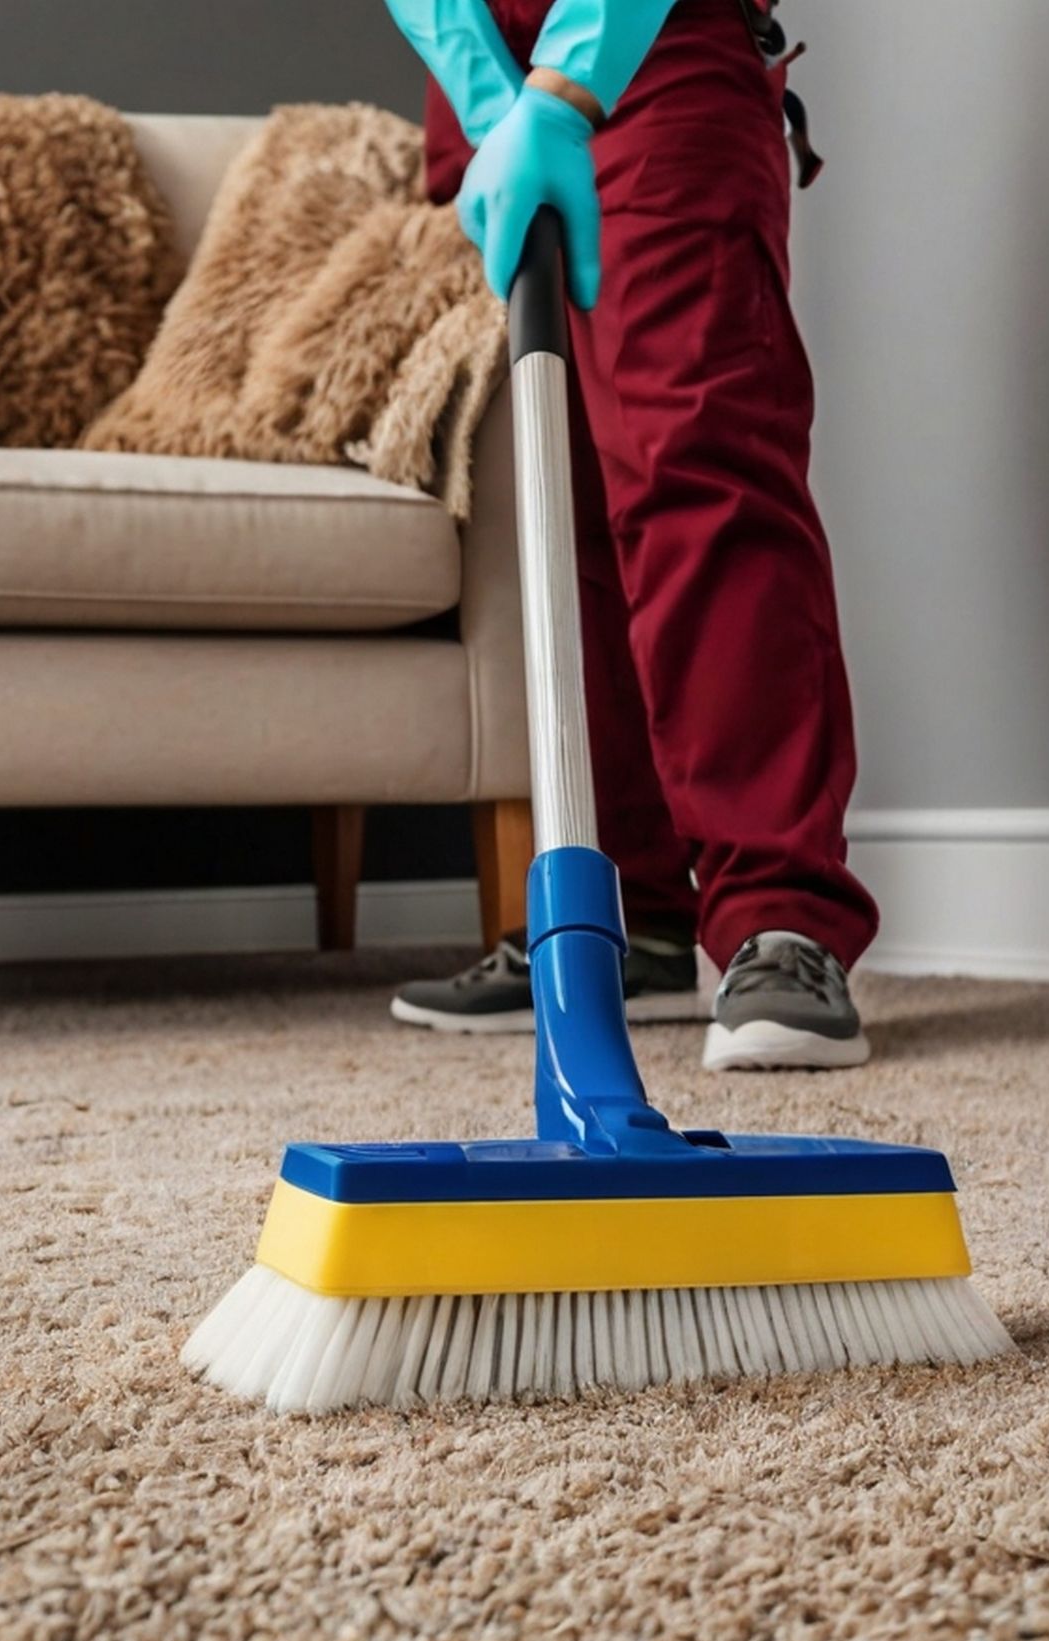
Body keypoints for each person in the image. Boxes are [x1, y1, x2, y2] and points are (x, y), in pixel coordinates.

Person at [385, 0, 878, 1070]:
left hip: (651, 37)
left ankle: (777, 920)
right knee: (563, 488)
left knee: (694, 465)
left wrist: (562, 90)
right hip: (486, 59)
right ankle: (629, 918)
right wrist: (488, 95)